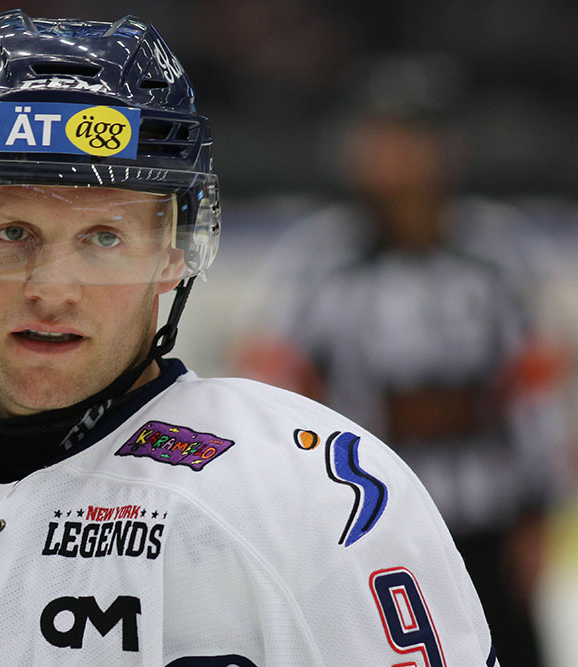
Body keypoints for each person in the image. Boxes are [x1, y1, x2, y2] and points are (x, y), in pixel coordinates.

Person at [0, 12, 499, 666]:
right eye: (11, 232)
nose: (51, 288)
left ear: (174, 252)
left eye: (103, 237)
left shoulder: (312, 500)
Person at [229, 76, 571, 666]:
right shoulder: (317, 262)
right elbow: (274, 392)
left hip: (488, 524)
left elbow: (536, 391)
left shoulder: (499, 256)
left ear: (445, 151)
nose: (394, 163)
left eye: (409, 143)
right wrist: (297, 513)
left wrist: (538, 514)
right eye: (379, 143)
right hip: (369, 525)